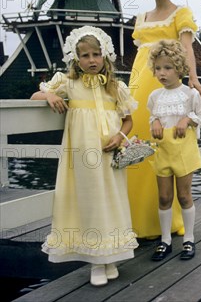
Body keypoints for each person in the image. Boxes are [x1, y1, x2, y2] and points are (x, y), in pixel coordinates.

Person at [31, 26, 138, 286]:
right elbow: (35, 95)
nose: (92, 60)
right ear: (76, 59)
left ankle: (110, 257)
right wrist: (49, 95)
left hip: (109, 154)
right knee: (90, 201)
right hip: (81, 157)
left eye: (96, 54)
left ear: (105, 56)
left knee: (110, 201)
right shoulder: (68, 83)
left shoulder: (116, 87)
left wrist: (120, 137)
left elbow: (128, 121)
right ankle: (96, 261)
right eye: (85, 55)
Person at [125, 0, 201, 238]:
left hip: (166, 85)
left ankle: (171, 222)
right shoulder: (141, 19)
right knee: (138, 141)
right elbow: (139, 56)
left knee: (168, 146)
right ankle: (137, 219)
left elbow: (185, 48)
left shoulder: (181, 13)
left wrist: (193, 79)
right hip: (139, 84)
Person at [146, 40, 201, 261]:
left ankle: (189, 239)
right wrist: (153, 121)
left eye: (168, 68)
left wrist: (187, 119)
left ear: (180, 69)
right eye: (158, 68)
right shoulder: (154, 96)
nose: (162, 73)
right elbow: (154, 116)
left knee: (184, 195)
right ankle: (165, 241)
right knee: (164, 197)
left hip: (183, 150)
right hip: (163, 150)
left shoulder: (190, 94)